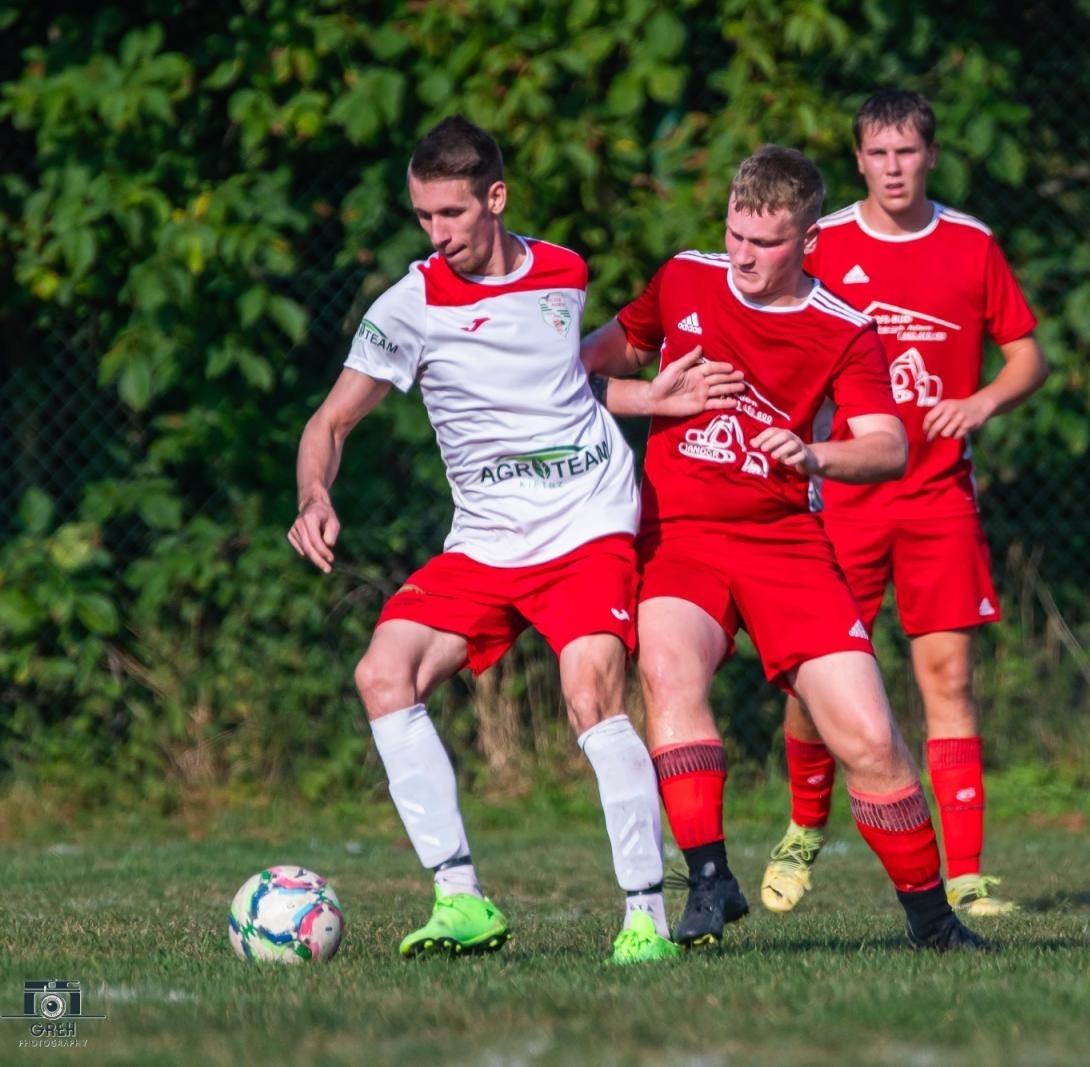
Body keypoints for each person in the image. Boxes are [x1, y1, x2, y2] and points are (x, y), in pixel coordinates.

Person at [287, 115, 742, 966]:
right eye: (424, 216)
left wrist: (654, 399)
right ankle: (460, 901)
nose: (437, 235)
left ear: (496, 198)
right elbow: (332, 419)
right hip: (487, 540)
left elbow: (568, 389)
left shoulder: (564, 272)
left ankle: (644, 914)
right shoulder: (411, 303)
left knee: (589, 690)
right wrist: (315, 491)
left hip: (587, 525)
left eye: (452, 214)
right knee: (384, 673)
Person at [581, 145, 989, 951]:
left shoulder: (842, 327)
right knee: (668, 668)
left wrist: (815, 456)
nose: (741, 255)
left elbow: (887, 445)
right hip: (682, 538)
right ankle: (708, 879)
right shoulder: (684, 280)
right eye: (734, 233)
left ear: (809, 240)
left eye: (764, 242)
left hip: (787, 546)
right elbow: (576, 370)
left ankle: (933, 921)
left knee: (869, 735)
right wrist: (648, 394)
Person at [757, 90, 1047, 918]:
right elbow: (770, 330)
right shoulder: (825, 244)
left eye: (908, 152)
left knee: (947, 677)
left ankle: (966, 875)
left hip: (938, 499)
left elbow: (1026, 354)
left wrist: (985, 401)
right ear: (858, 160)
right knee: (813, 683)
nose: (894, 167)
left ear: (931, 155)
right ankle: (803, 829)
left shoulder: (970, 244)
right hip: (840, 497)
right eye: (878, 153)